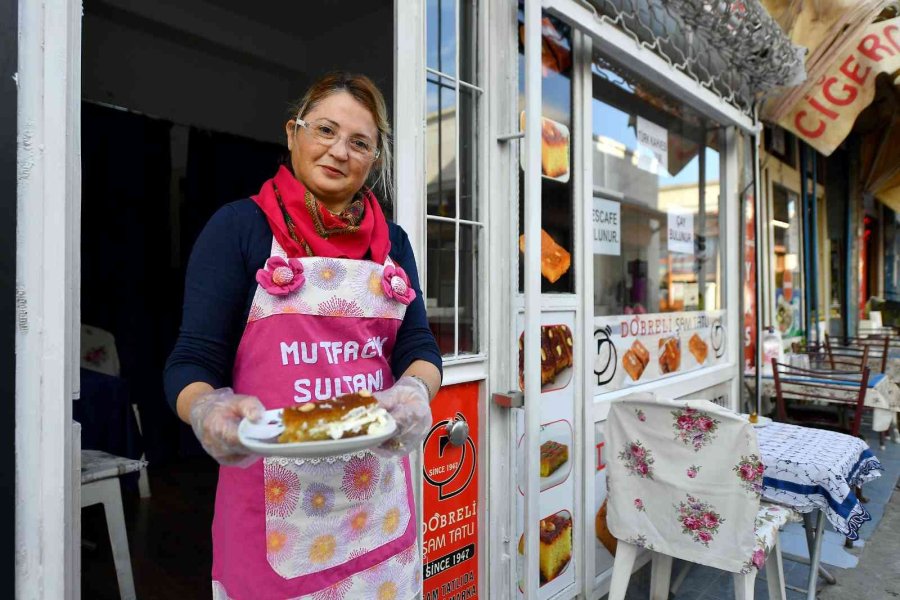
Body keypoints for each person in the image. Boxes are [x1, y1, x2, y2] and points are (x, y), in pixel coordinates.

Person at [164, 72, 442, 600]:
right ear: (293, 133)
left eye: (359, 142)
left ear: (374, 160)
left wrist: (415, 390)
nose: (339, 151)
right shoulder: (238, 228)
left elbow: (418, 346)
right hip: (275, 518)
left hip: (377, 507)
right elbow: (191, 360)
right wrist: (205, 407)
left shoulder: (394, 243)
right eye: (325, 130)